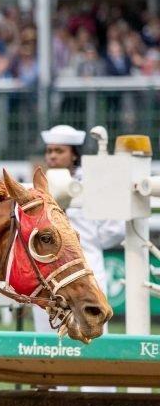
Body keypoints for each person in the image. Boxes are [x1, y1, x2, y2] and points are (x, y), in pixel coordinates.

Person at [33, 124, 124, 391]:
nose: (51, 156)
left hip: (87, 269)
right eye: (49, 151)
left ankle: (100, 400)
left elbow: (114, 229)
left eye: (58, 151)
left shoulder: (93, 183)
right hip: (48, 274)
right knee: (48, 339)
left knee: (94, 334)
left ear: (74, 154)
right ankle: (50, 400)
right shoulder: (40, 185)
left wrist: (89, 247)